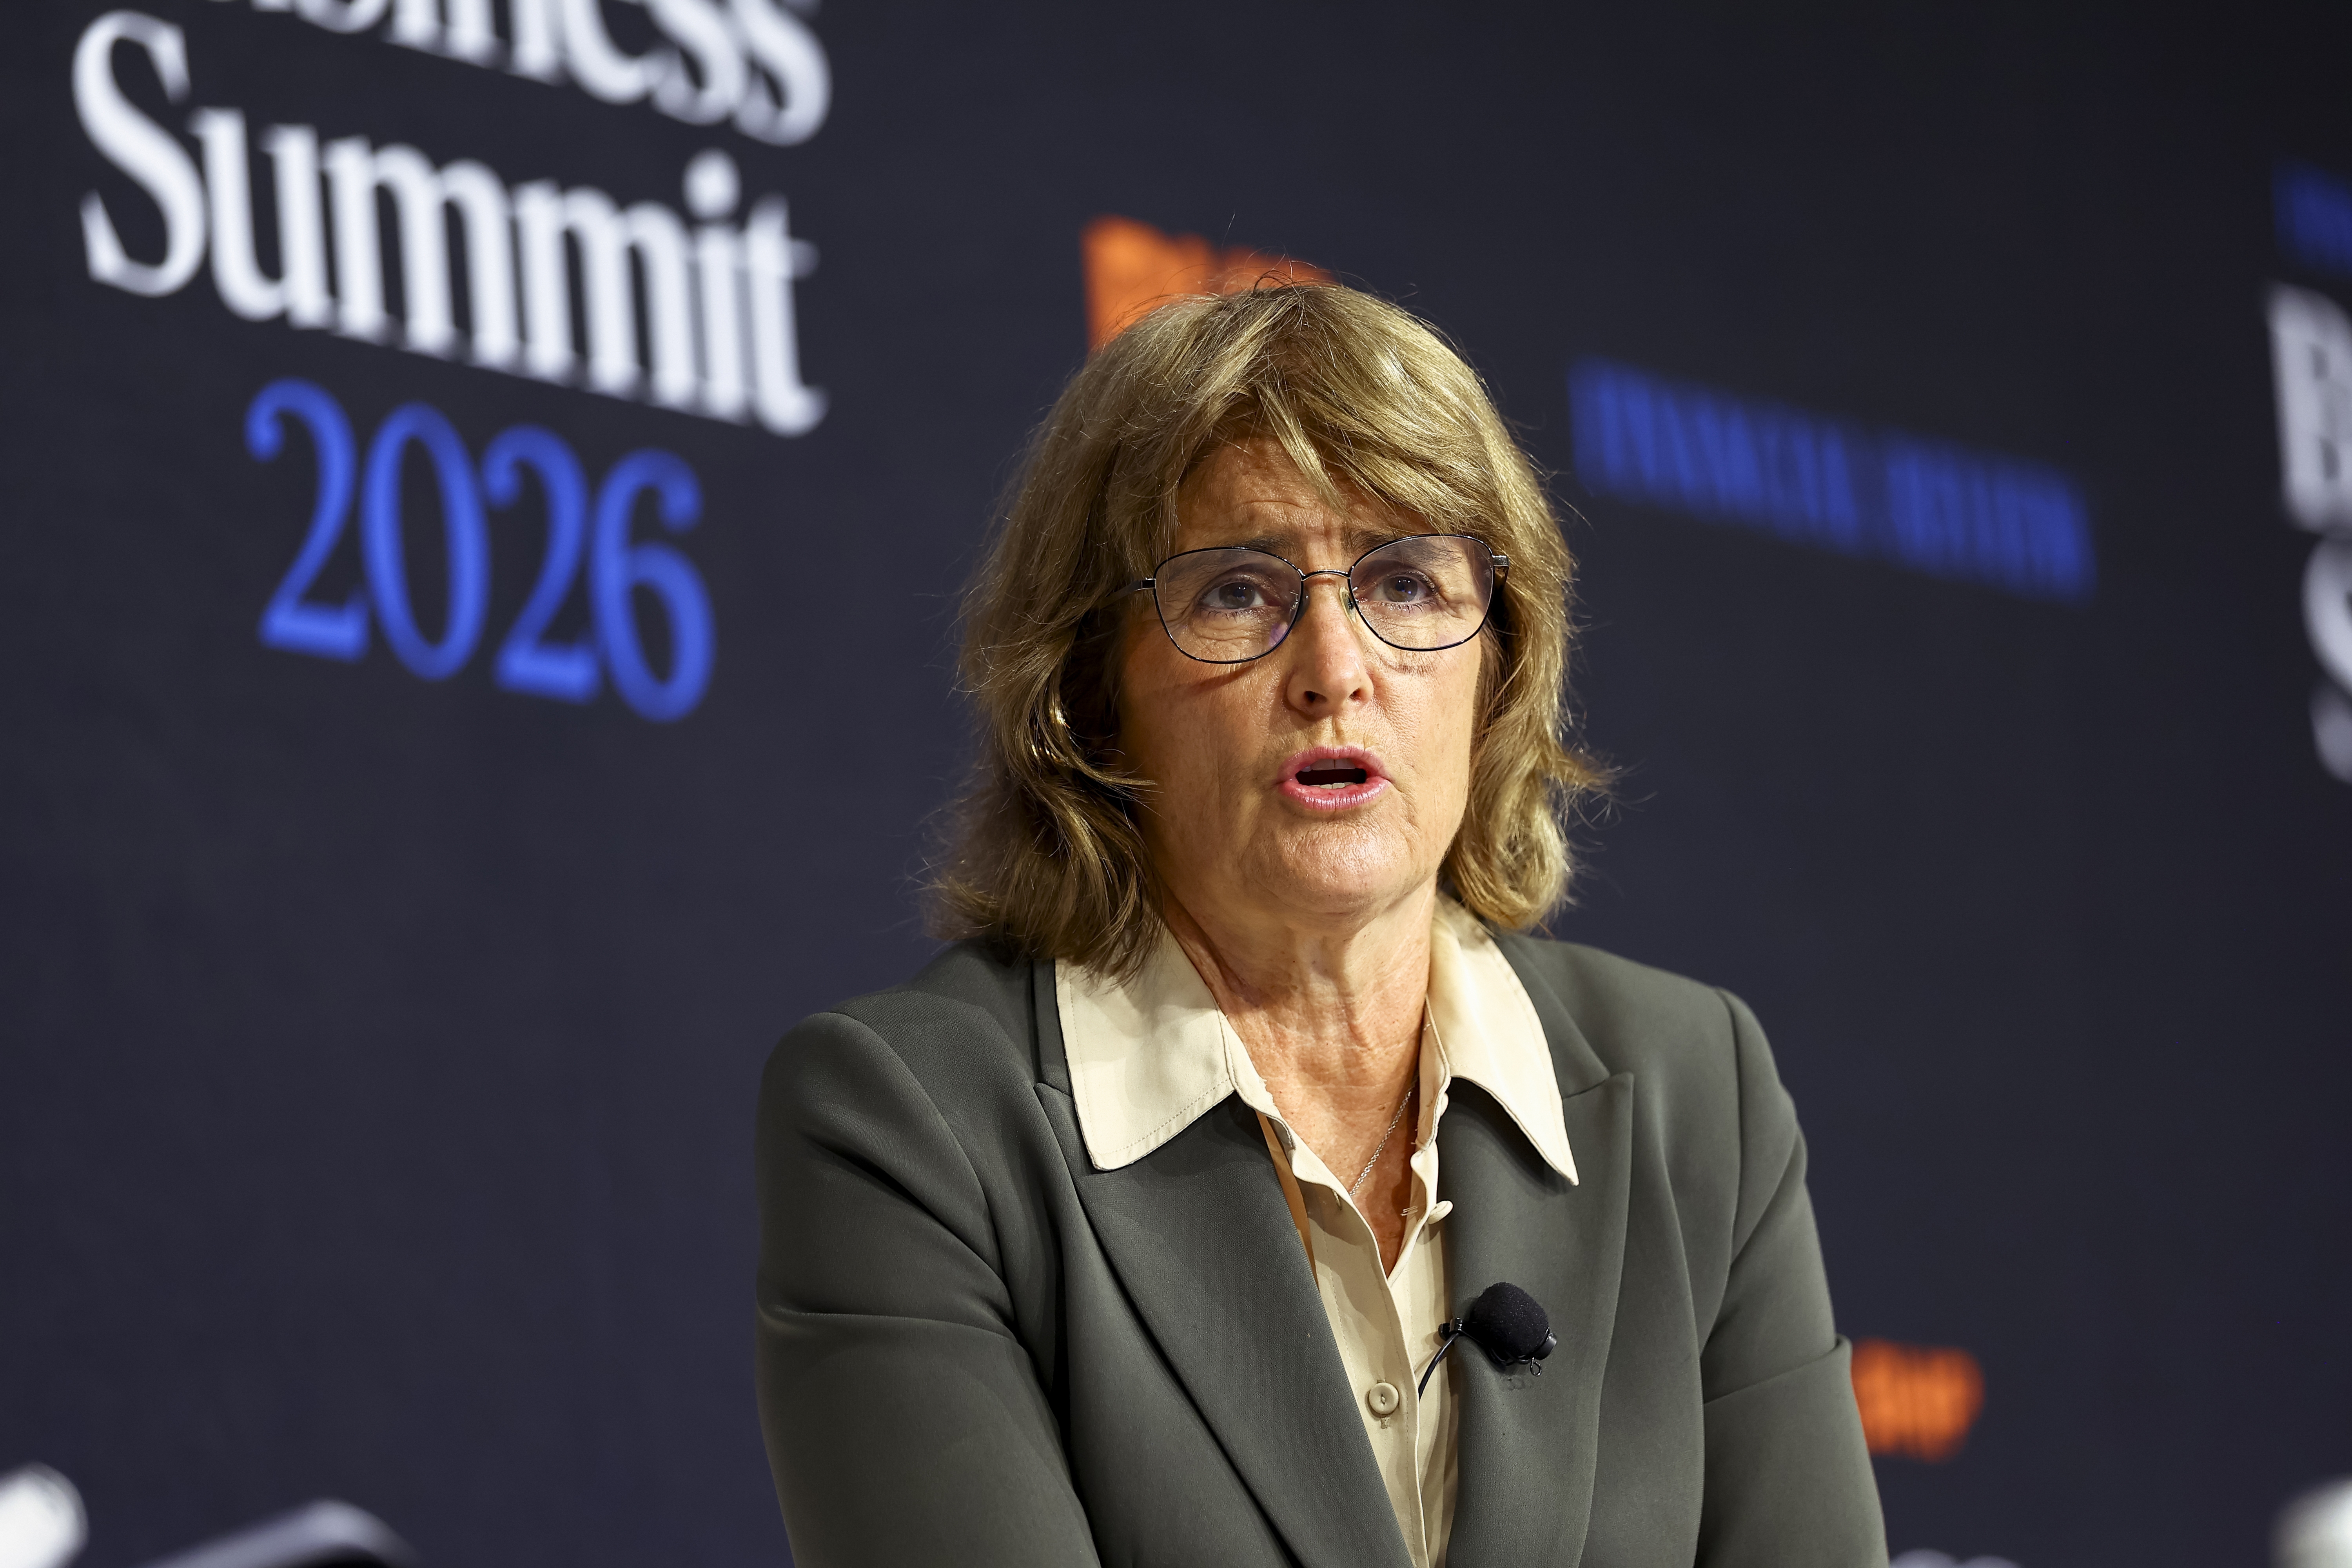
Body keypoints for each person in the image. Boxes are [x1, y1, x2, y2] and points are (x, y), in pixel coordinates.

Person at [753, 282, 1886, 1568]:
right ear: (1091, 687)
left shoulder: (1694, 1091)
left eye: (1406, 583)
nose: (1336, 669)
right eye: (1239, 591)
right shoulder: (912, 1123)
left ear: (1500, 665)